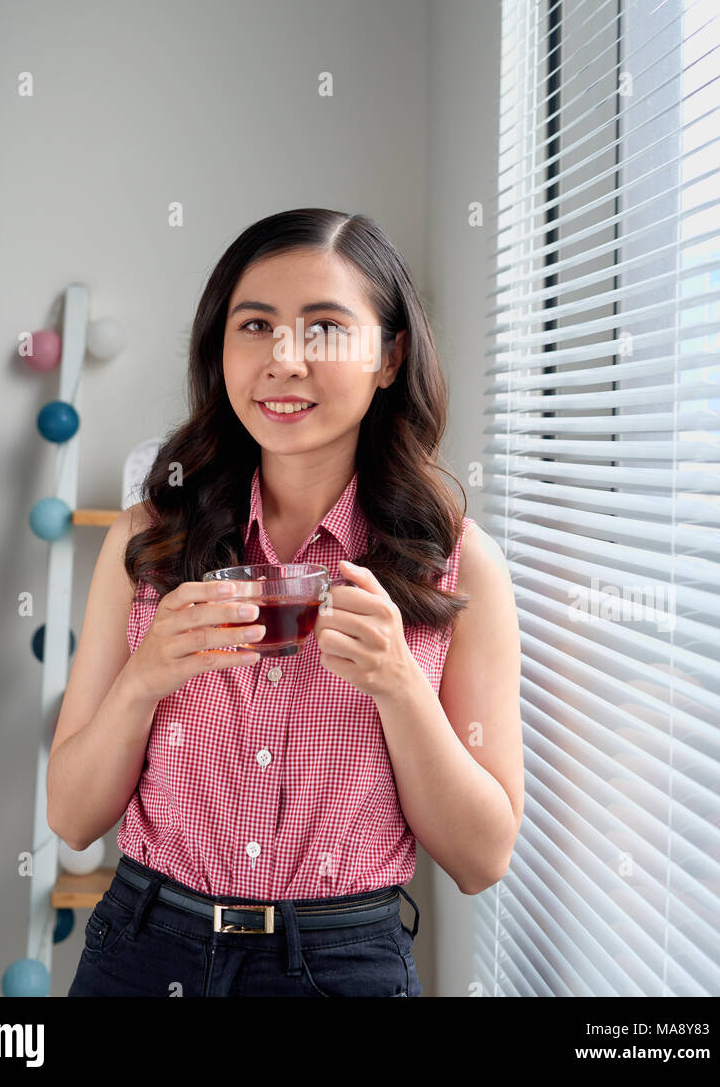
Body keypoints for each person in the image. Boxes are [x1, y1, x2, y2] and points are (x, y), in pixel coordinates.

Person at [50, 207, 523, 997]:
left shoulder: (457, 566)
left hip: (341, 965)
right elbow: (70, 818)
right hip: (143, 950)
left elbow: (482, 860)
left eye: (326, 328)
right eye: (256, 325)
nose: (285, 359)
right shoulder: (147, 542)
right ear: (220, 349)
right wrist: (144, 679)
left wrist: (401, 686)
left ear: (388, 355)